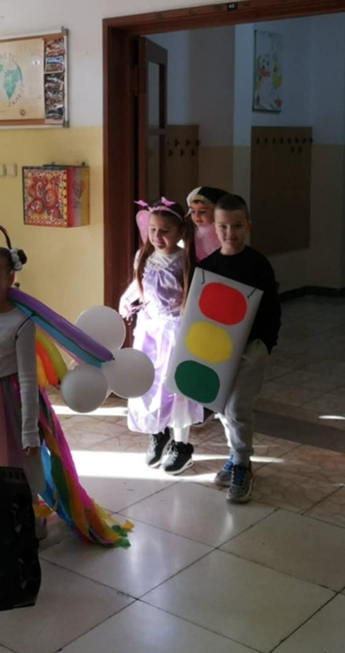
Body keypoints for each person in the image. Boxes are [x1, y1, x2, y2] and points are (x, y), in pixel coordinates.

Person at [0, 238, 130, 585]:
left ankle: (4, 541)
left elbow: (28, 377)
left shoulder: (21, 322)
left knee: (16, 469)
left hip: (11, 401)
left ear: (10, 279)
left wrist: (30, 430)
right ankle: (12, 532)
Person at [199, 193, 281, 503]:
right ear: (214, 227)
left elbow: (272, 307)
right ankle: (236, 457)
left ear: (247, 226)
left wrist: (266, 344)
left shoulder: (258, 264)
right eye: (222, 226)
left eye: (236, 226)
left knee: (237, 408)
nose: (229, 233)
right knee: (222, 406)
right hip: (218, 351)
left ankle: (243, 463)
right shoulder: (207, 266)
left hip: (251, 349)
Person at [120, 197, 203, 474]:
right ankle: (158, 434)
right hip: (148, 330)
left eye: (165, 231)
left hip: (174, 332)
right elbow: (140, 283)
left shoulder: (184, 261)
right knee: (149, 383)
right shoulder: (143, 256)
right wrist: (127, 298)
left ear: (180, 232)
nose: (157, 236)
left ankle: (181, 446)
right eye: (153, 229)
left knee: (176, 387)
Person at [186, 186, 229, 262]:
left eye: (202, 211)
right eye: (193, 211)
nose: (196, 216)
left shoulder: (222, 235)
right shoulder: (191, 234)